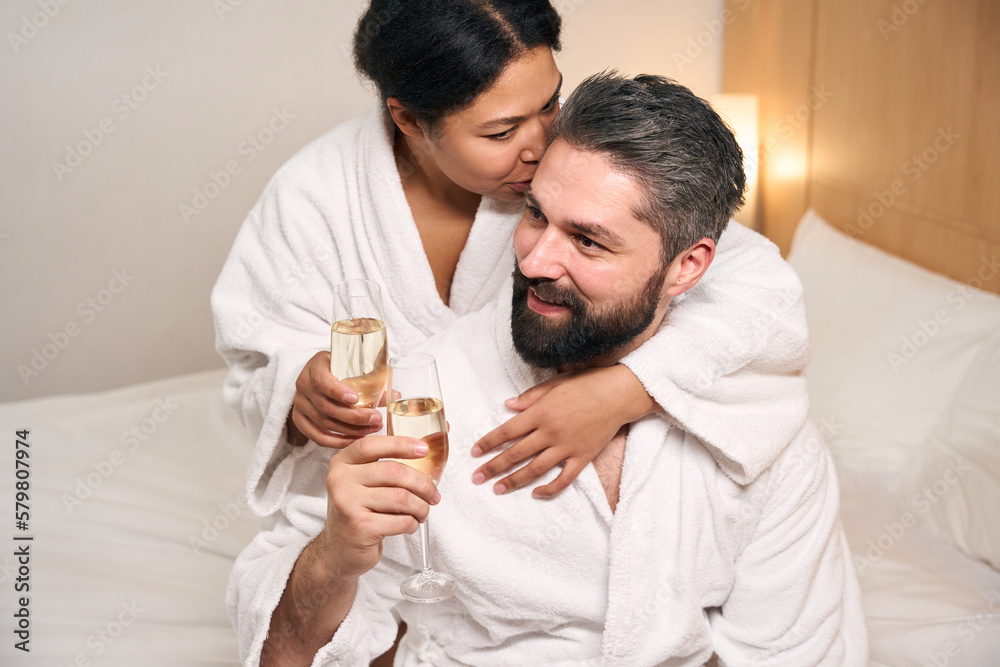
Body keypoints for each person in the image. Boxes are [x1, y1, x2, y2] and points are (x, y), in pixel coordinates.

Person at [229, 73, 867, 667]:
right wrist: (335, 561)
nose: (535, 260)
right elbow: (282, 653)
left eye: (588, 241)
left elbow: (798, 652)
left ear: (689, 267)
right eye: (534, 214)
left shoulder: (756, 433)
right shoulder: (425, 402)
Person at [210, 0, 811, 520]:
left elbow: (756, 287)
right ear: (410, 120)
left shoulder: (575, 169)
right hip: (384, 489)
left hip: (529, 494)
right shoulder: (315, 197)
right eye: (501, 133)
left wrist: (626, 391)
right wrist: (298, 391)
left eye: (549, 103)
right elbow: (252, 360)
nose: (542, 144)